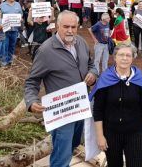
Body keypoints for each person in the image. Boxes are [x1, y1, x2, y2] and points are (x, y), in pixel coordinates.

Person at [24, 11, 98, 167]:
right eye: (66, 27)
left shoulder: (81, 43)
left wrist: (92, 73)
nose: (70, 30)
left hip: (81, 107)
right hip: (61, 113)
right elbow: (32, 81)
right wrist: (31, 101)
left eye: (73, 27)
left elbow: (91, 64)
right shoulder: (46, 50)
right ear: (57, 26)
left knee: (74, 143)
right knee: (61, 154)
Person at [90, 44, 142, 167]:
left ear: (133, 58)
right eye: (121, 55)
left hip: (135, 134)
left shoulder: (139, 78)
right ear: (115, 57)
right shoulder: (105, 79)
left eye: (128, 55)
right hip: (111, 134)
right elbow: (98, 109)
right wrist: (100, 136)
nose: (124, 58)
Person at [0, 0, 23, 66]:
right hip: (5, 29)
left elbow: (21, 14)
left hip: (15, 29)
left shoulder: (17, 4)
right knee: (5, 45)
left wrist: (21, 19)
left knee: (12, 45)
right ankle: (4, 61)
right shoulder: (2, 5)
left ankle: (10, 60)